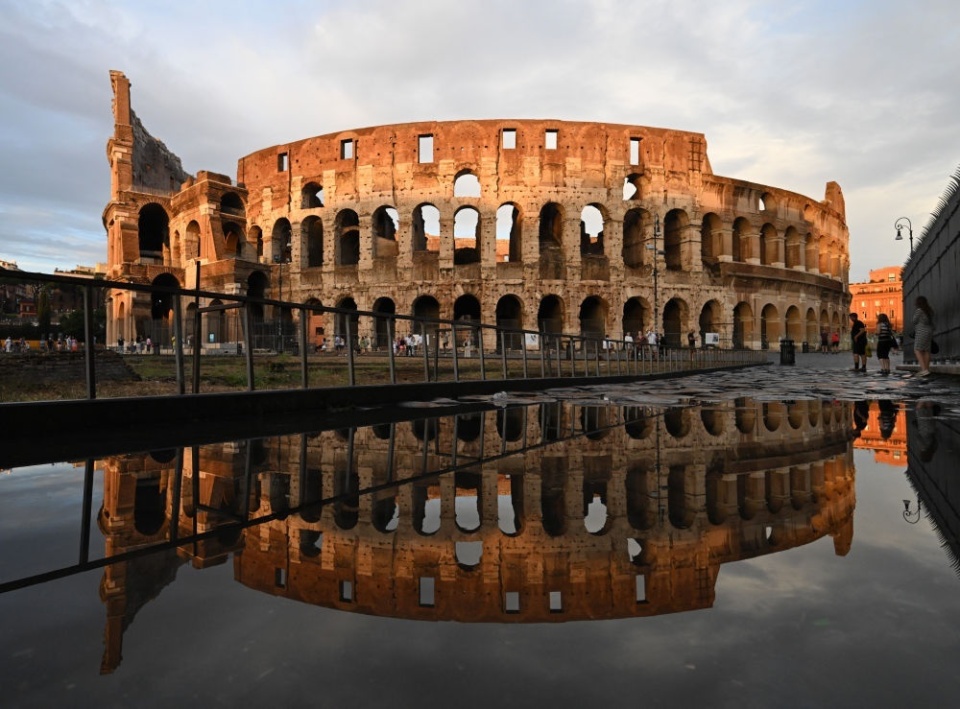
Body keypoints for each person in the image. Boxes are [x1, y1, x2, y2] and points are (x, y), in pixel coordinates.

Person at [912, 295, 934, 377]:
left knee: (917, 349)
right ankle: (926, 369)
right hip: (929, 331)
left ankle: (924, 369)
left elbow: (914, 321)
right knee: (926, 350)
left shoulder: (919, 310)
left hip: (921, 332)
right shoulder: (929, 310)